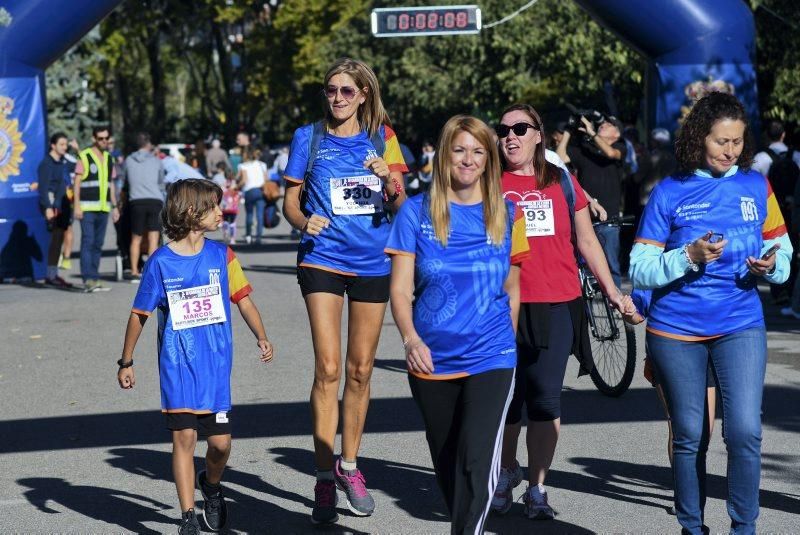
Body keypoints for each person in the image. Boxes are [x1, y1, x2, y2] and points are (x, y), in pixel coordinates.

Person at [629, 92, 792, 534]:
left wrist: (773, 264)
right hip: (676, 329)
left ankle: (744, 528)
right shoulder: (669, 191)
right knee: (689, 436)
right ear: (700, 138)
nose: (730, 151)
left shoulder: (757, 186)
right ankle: (692, 527)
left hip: (741, 323)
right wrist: (688, 256)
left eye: (738, 142)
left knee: (743, 433)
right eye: (722, 141)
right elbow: (640, 268)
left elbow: (784, 250)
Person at [387, 115, 528, 534]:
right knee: (449, 466)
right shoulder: (415, 213)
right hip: (431, 358)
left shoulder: (507, 213)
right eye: (460, 150)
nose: (468, 160)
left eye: (479, 151)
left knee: (476, 461)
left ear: (489, 160)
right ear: (444, 154)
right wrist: (410, 340)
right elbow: (399, 291)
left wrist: (507, 342)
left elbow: (514, 289)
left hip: (492, 355)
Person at [281, 57, 407, 524]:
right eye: (330, 90)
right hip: (322, 259)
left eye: (346, 91)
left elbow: (401, 207)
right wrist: (301, 220)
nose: (336, 99)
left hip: (374, 262)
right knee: (329, 367)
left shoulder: (384, 139)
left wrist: (386, 178)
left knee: (359, 370)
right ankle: (321, 476)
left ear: (364, 95)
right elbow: (289, 201)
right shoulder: (308, 137)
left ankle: (349, 466)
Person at [492, 103, 628, 519]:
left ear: (539, 135)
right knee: (506, 401)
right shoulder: (485, 183)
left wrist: (615, 294)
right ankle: (504, 473)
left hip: (556, 301)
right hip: (502, 306)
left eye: (520, 128)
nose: (510, 136)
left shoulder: (561, 181)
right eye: (503, 130)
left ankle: (537, 488)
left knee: (545, 398)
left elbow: (588, 243)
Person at [116, 178, 274, 534]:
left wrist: (261, 336)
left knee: (220, 445)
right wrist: (126, 361)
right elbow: (139, 314)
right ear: (191, 212)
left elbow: (243, 299)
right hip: (177, 365)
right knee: (184, 439)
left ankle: (212, 486)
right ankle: (187, 517)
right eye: (214, 206)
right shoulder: (160, 263)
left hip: (215, 366)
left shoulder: (222, 255)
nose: (221, 212)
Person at [621, 289, 716, 517]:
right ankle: (685, 494)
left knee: (704, 430)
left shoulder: (717, 256)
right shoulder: (658, 255)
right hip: (669, 345)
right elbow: (638, 313)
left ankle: (688, 485)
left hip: (713, 344)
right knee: (683, 427)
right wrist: (628, 310)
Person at [557, 113, 628, 286]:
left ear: (617, 134)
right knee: (586, 268)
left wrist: (592, 133)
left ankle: (617, 308)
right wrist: (568, 130)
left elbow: (611, 153)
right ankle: (590, 310)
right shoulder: (585, 150)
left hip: (609, 219)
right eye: (602, 123)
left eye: (610, 124)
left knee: (611, 267)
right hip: (585, 219)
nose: (603, 124)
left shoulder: (620, 146)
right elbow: (559, 159)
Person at [73, 126, 120, 292]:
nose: (104, 141)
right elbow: (77, 183)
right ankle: (87, 279)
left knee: (98, 244)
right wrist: (76, 205)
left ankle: (94, 277)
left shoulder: (109, 158)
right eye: (101, 138)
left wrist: (115, 206)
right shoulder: (84, 156)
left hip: (103, 208)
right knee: (88, 241)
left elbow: (111, 184)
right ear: (94, 139)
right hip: (86, 208)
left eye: (107, 138)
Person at [123, 132, 165, 283]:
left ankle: (134, 271)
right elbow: (161, 182)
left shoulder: (128, 160)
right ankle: (151, 273)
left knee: (136, 238)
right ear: (148, 144)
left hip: (136, 201)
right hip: (155, 200)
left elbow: (125, 181)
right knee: (153, 238)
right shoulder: (156, 161)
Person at [37, 132, 74, 288]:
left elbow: (79, 166)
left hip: (62, 204)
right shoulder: (46, 163)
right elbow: (43, 188)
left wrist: (77, 151)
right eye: (61, 144)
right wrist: (47, 207)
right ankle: (50, 276)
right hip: (52, 204)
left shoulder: (62, 162)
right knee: (54, 240)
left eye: (66, 144)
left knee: (59, 238)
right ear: (53, 145)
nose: (65, 147)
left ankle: (53, 275)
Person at [236, 146, 269, 245]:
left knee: (249, 214)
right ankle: (258, 237)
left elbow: (244, 180)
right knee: (259, 215)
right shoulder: (262, 165)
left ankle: (248, 236)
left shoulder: (243, 166)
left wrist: (236, 186)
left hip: (249, 192)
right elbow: (266, 179)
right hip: (260, 191)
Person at [220, 171, 241, 245]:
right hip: (233, 208)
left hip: (225, 208)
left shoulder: (223, 185)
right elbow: (239, 195)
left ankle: (225, 232)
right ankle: (232, 239)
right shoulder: (235, 185)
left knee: (225, 221)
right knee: (232, 223)